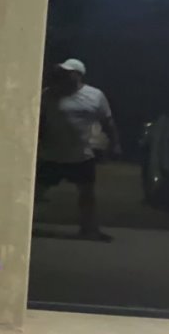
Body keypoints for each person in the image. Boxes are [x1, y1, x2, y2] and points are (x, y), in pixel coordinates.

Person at [37, 58, 120, 242]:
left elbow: (108, 122)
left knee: (87, 195)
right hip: (51, 154)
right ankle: (21, 227)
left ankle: (89, 230)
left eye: (68, 72)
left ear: (78, 75)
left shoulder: (95, 96)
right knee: (35, 191)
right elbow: (38, 121)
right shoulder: (48, 94)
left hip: (81, 155)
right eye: (62, 72)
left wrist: (115, 143)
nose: (63, 75)